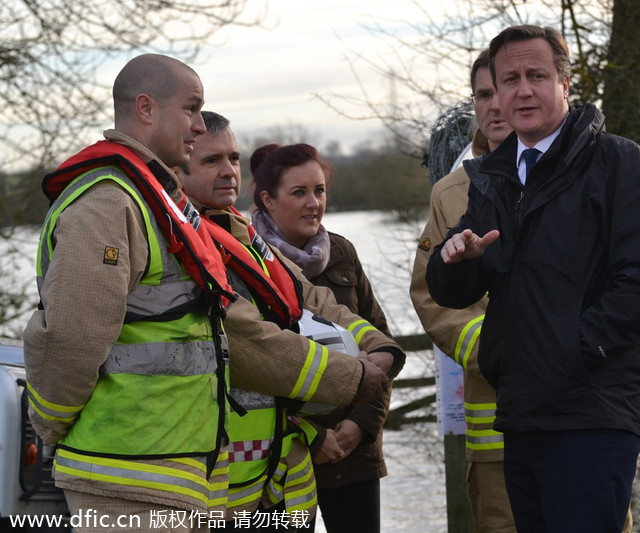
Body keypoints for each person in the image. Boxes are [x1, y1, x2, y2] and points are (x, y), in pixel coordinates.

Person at [23, 54, 386, 533]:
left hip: (176, 475)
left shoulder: (160, 206)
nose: (198, 126)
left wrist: (375, 351)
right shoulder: (109, 204)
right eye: (191, 109)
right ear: (147, 108)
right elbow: (71, 339)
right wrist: (52, 424)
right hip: (123, 474)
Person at [426, 25, 640, 533]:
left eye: (537, 75)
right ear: (495, 93)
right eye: (510, 79)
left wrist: (576, 350)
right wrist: (455, 260)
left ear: (565, 83)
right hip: (522, 414)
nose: (522, 91)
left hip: (592, 412)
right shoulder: (495, 176)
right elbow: (450, 291)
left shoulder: (618, 163)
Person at [177, 110, 405, 531]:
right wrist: (350, 381)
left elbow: (310, 298)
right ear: (179, 162)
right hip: (230, 466)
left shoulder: (243, 236)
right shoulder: (187, 240)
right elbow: (254, 345)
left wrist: (380, 350)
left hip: (283, 461)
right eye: (212, 161)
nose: (229, 171)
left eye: (233, 158)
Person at [249, 142, 399, 533]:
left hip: (353, 453)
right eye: (299, 192)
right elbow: (255, 365)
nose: (313, 202)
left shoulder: (343, 254)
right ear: (267, 199)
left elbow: (380, 344)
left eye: (319, 190)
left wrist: (361, 426)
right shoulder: (246, 261)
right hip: (282, 456)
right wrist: (313, 436)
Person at [409, 49, 516, 533]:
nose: (495, 105)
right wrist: (490, 349)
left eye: (505, 89)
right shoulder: (451, 192)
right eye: (483, 94)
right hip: (495, 427)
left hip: (581, 415)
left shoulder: (593, 171)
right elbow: (429, 292)